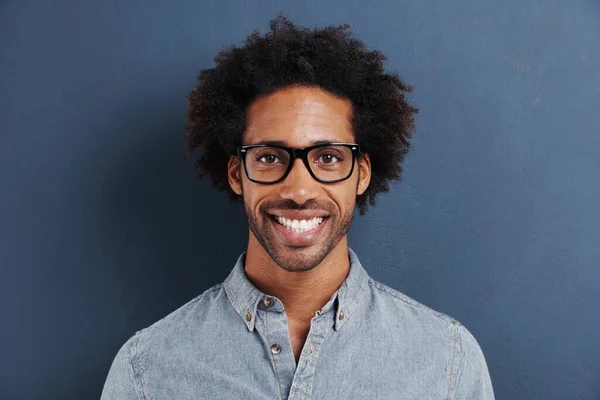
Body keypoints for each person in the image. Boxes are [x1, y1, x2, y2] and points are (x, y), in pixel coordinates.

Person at [101, 14, 494, 399]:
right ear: (238, 174)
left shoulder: (447, 365)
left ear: (361, 173)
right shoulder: (146, 372)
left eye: (328, 157)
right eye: (270, 157)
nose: (300, 190)